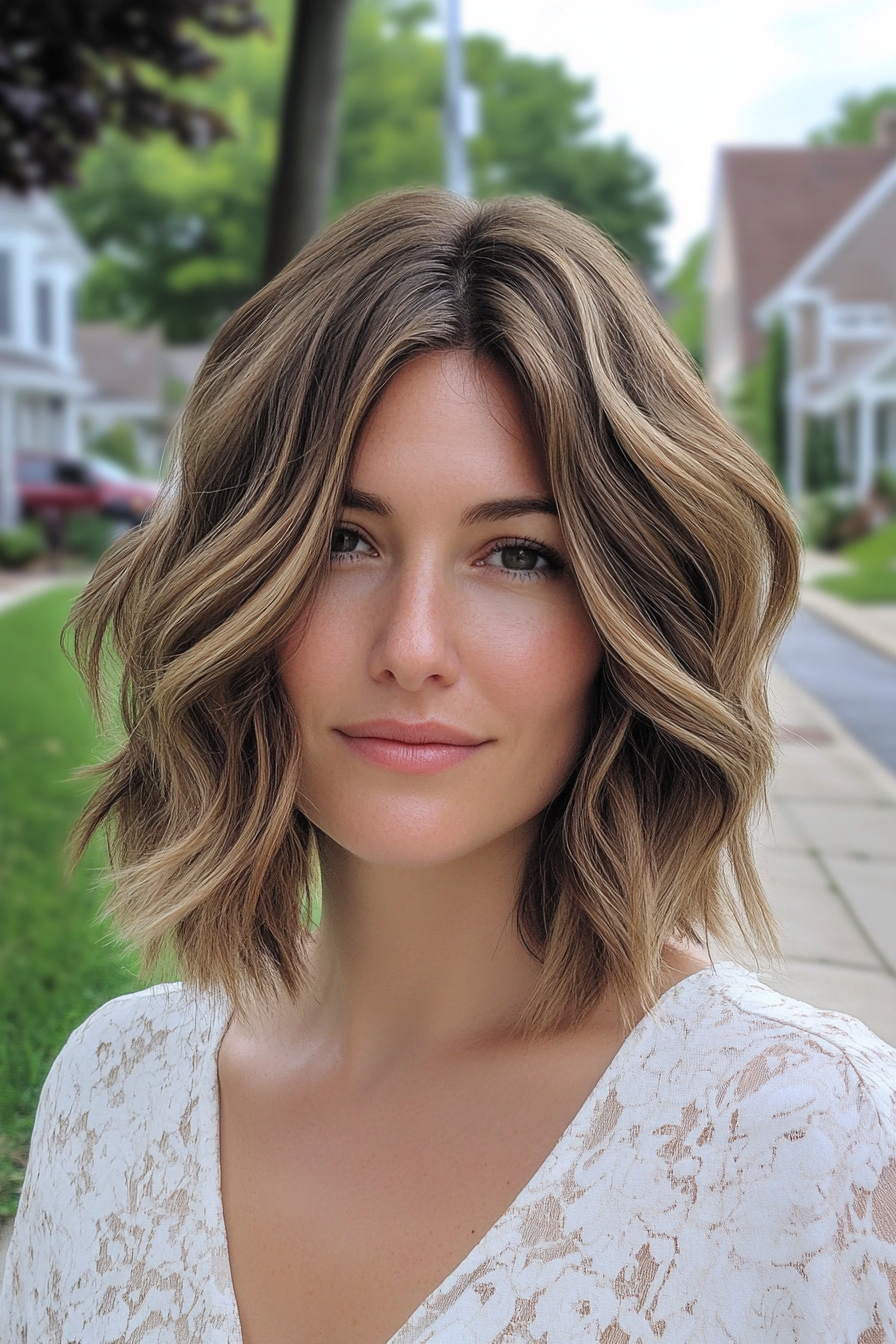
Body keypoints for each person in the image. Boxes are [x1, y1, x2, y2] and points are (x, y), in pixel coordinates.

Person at [2, 190, 894, 1344]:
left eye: (517, 555)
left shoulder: (815, 1148)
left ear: (630, 619)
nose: (411, 646)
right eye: (340, 539)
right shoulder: (108, 1091)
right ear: (236, 582)